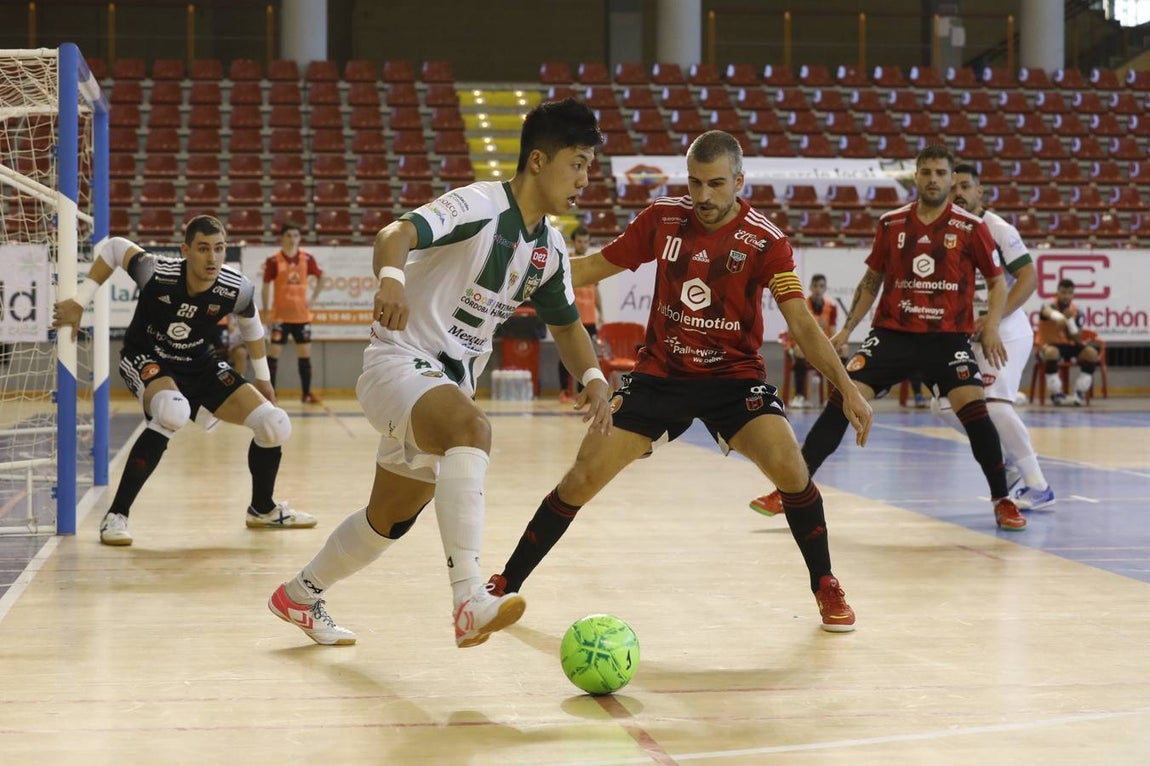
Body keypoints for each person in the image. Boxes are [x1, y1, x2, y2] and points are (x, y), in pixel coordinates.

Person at [487, 130, 873, 632]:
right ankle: (505, 585)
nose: (704, 197)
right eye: (695, 183)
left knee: (791, 469)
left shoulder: (766, 240)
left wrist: (847, 389)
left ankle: (825, 584)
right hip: (659, 378)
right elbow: (595, 266)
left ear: (739, 180)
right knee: (582, 475)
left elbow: (800, 323)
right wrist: (523, 274)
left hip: (733, 381)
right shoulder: (661, 219)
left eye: (716, 184)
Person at [267, 98, 612, 647]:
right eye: (578, 163)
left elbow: (567, 326)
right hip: (398, 362)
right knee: (472, 430)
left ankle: (299, 595)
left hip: (443, 385)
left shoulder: (549, 248)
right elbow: (395, 234)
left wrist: (593, 378)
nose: (585, 178)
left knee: (388, 520)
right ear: (540, 161)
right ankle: (469, 600)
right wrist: (391, 280)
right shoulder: (479, 204)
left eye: (590, 166)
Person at [750, 145, 1025, 531]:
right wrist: (847, 329)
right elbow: (872, 280)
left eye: (940, 173)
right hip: (893, 336)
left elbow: (998, 283)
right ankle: (790, 491)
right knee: (844, 398)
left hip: (947, 339)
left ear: (950, 179)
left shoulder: (970, 227)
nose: (933, 179)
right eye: (926, 172)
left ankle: (1003, 499)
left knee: (976, 412)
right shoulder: (892, 223)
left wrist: (992, 324)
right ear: (916, 176)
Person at [52, 215, 316, 546]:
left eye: (219, 249)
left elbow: (252, 325)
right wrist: (79, 300)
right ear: (185, 250)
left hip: (199, 361)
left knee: (275, 424)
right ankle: (116, 515)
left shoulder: (236, 287)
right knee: (171, 411)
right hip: (147, 357)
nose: (212, 258)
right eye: (203, 249)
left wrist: (262, 378)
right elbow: (115, 247)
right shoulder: (157, 272)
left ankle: (262, 509)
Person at [930, 162, 1054, 510]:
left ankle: (1037, 485)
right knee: (942, 405)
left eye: (965, 187)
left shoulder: (998, 228)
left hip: (1006, 327)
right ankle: (1006, 458)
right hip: (969, 330)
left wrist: (995, 320)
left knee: (996, 406)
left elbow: (1028, 279)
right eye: (953, 187)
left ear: (979, 192)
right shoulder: (944, 230)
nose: (958, 193)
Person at [262, 222, 324, 404]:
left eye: (296, 235)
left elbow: (322, 277)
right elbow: (266, 287)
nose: (292, 239)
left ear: (299, 238)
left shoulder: (307, 258)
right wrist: (266, 313)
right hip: (280, 316)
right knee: (273, 355)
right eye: (289, 235)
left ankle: (306, 394)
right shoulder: (273, 260)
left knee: (305, 355)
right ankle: (270, 395)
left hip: (301, 317)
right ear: (282, 237)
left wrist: (312, 300)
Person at [784, 272, 846, 409]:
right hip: (802, 344)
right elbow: (791, 332)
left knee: (844, 349)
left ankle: (839, 395)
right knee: (800, 351)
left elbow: (833, 331)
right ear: (811, 288)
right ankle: (800, 396)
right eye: (816, 286)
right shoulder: (801, 304)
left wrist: (837, 345)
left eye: (821, 286)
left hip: (821, 345)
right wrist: (813, 325)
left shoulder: (831, 307)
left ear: (825, 288)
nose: (818, 289)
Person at [1037, 278, 1100, 407]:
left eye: (1069, 293)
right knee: (1052, 352)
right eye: (1063, 292)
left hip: (1069, 345)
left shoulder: (1077, 311)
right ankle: (1056, 394)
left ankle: (1079, 392)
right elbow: (1046, 311)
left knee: (1092, 354)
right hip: (1049, 345)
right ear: (1057, 292)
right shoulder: (1050, 304)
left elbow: (1077, 338)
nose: (1066, 296)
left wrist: (1070, 321)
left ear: (1073, 294)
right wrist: (1058, 316)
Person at [557, 225, 602, 403]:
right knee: (566, 355)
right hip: (571, 317)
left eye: (585, 242)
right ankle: (563, 391)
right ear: (573, 242)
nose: (582, 244)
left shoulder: (592, 263)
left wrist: (601, 312)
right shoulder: (568, 262)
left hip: (590, 319)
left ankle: (583, 392)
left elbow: (596, 291)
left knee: (587, 355)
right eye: (579, 241)